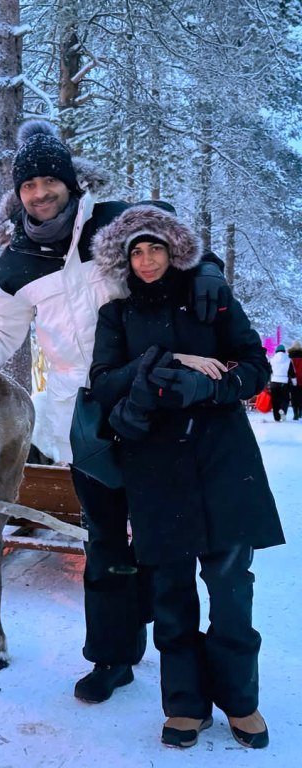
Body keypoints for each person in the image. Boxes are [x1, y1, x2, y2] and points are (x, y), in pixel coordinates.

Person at [0, 120, 230, 704]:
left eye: (48, 181)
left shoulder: (120, 223)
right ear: (18, 195)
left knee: (163, 542)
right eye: (28, 185)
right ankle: (112, 658)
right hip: (82, 419)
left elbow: (177, 243)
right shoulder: (14, 265)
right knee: (105, 545)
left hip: (155, 405)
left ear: (69, 181)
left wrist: (208, 267)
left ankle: (179, 667)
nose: (39, 193)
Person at [89, 204, 285, 749]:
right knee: (171, 593)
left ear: (174, 250)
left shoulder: (212, 298)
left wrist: (213, 387)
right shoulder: (117, 315)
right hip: (154, 465)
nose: (148, 260)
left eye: (156, 248)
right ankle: (184, 705)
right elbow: (103, 382)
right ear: (124, 259)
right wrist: (166, 361)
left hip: (223, 461)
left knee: (230, 588)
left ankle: (240, 700)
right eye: (137, 251)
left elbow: (254, 367)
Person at [268, 344, 292, 421]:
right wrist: (294, 382)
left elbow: (269, 371)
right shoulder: (288, 360)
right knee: (285, 399)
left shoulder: (272, 360)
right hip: (284, 382)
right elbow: (291, 373)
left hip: (274, 382)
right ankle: (283, 410)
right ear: (284, 351)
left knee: (275, 400)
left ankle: (276, 418)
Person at [288, 340, 302, 420]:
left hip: (293, 379)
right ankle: (300, 411)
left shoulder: (289, 357)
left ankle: (295, 413)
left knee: (294, 396)